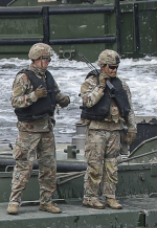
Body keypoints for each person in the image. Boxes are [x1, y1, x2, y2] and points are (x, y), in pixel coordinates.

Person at [8, 42, 71, 215]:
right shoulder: (24, 78)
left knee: (49, 167)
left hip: (46, 128)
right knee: (24, 167)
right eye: (46, 59)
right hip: (29, 129)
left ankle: (46, 201)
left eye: (49, 59)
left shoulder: (48, 76)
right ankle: (14, 201)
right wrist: (34, 96)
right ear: (37, 59)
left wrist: (62, 99)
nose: (48, 62)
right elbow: (15, 101)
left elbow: (55, 93)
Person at [79, 49, 131, 210]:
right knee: (94, 165)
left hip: (114, 129)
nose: (114, 70)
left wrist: (132, 129)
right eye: (111, 67)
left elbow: (129, 108)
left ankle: (110, 197)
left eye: (116, 67)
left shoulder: (120, 84)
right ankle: (90, 197)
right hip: (97, 130)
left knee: (112, 166)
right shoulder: (91, 83)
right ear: (102, 66)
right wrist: (101, 86)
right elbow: (88, 101)